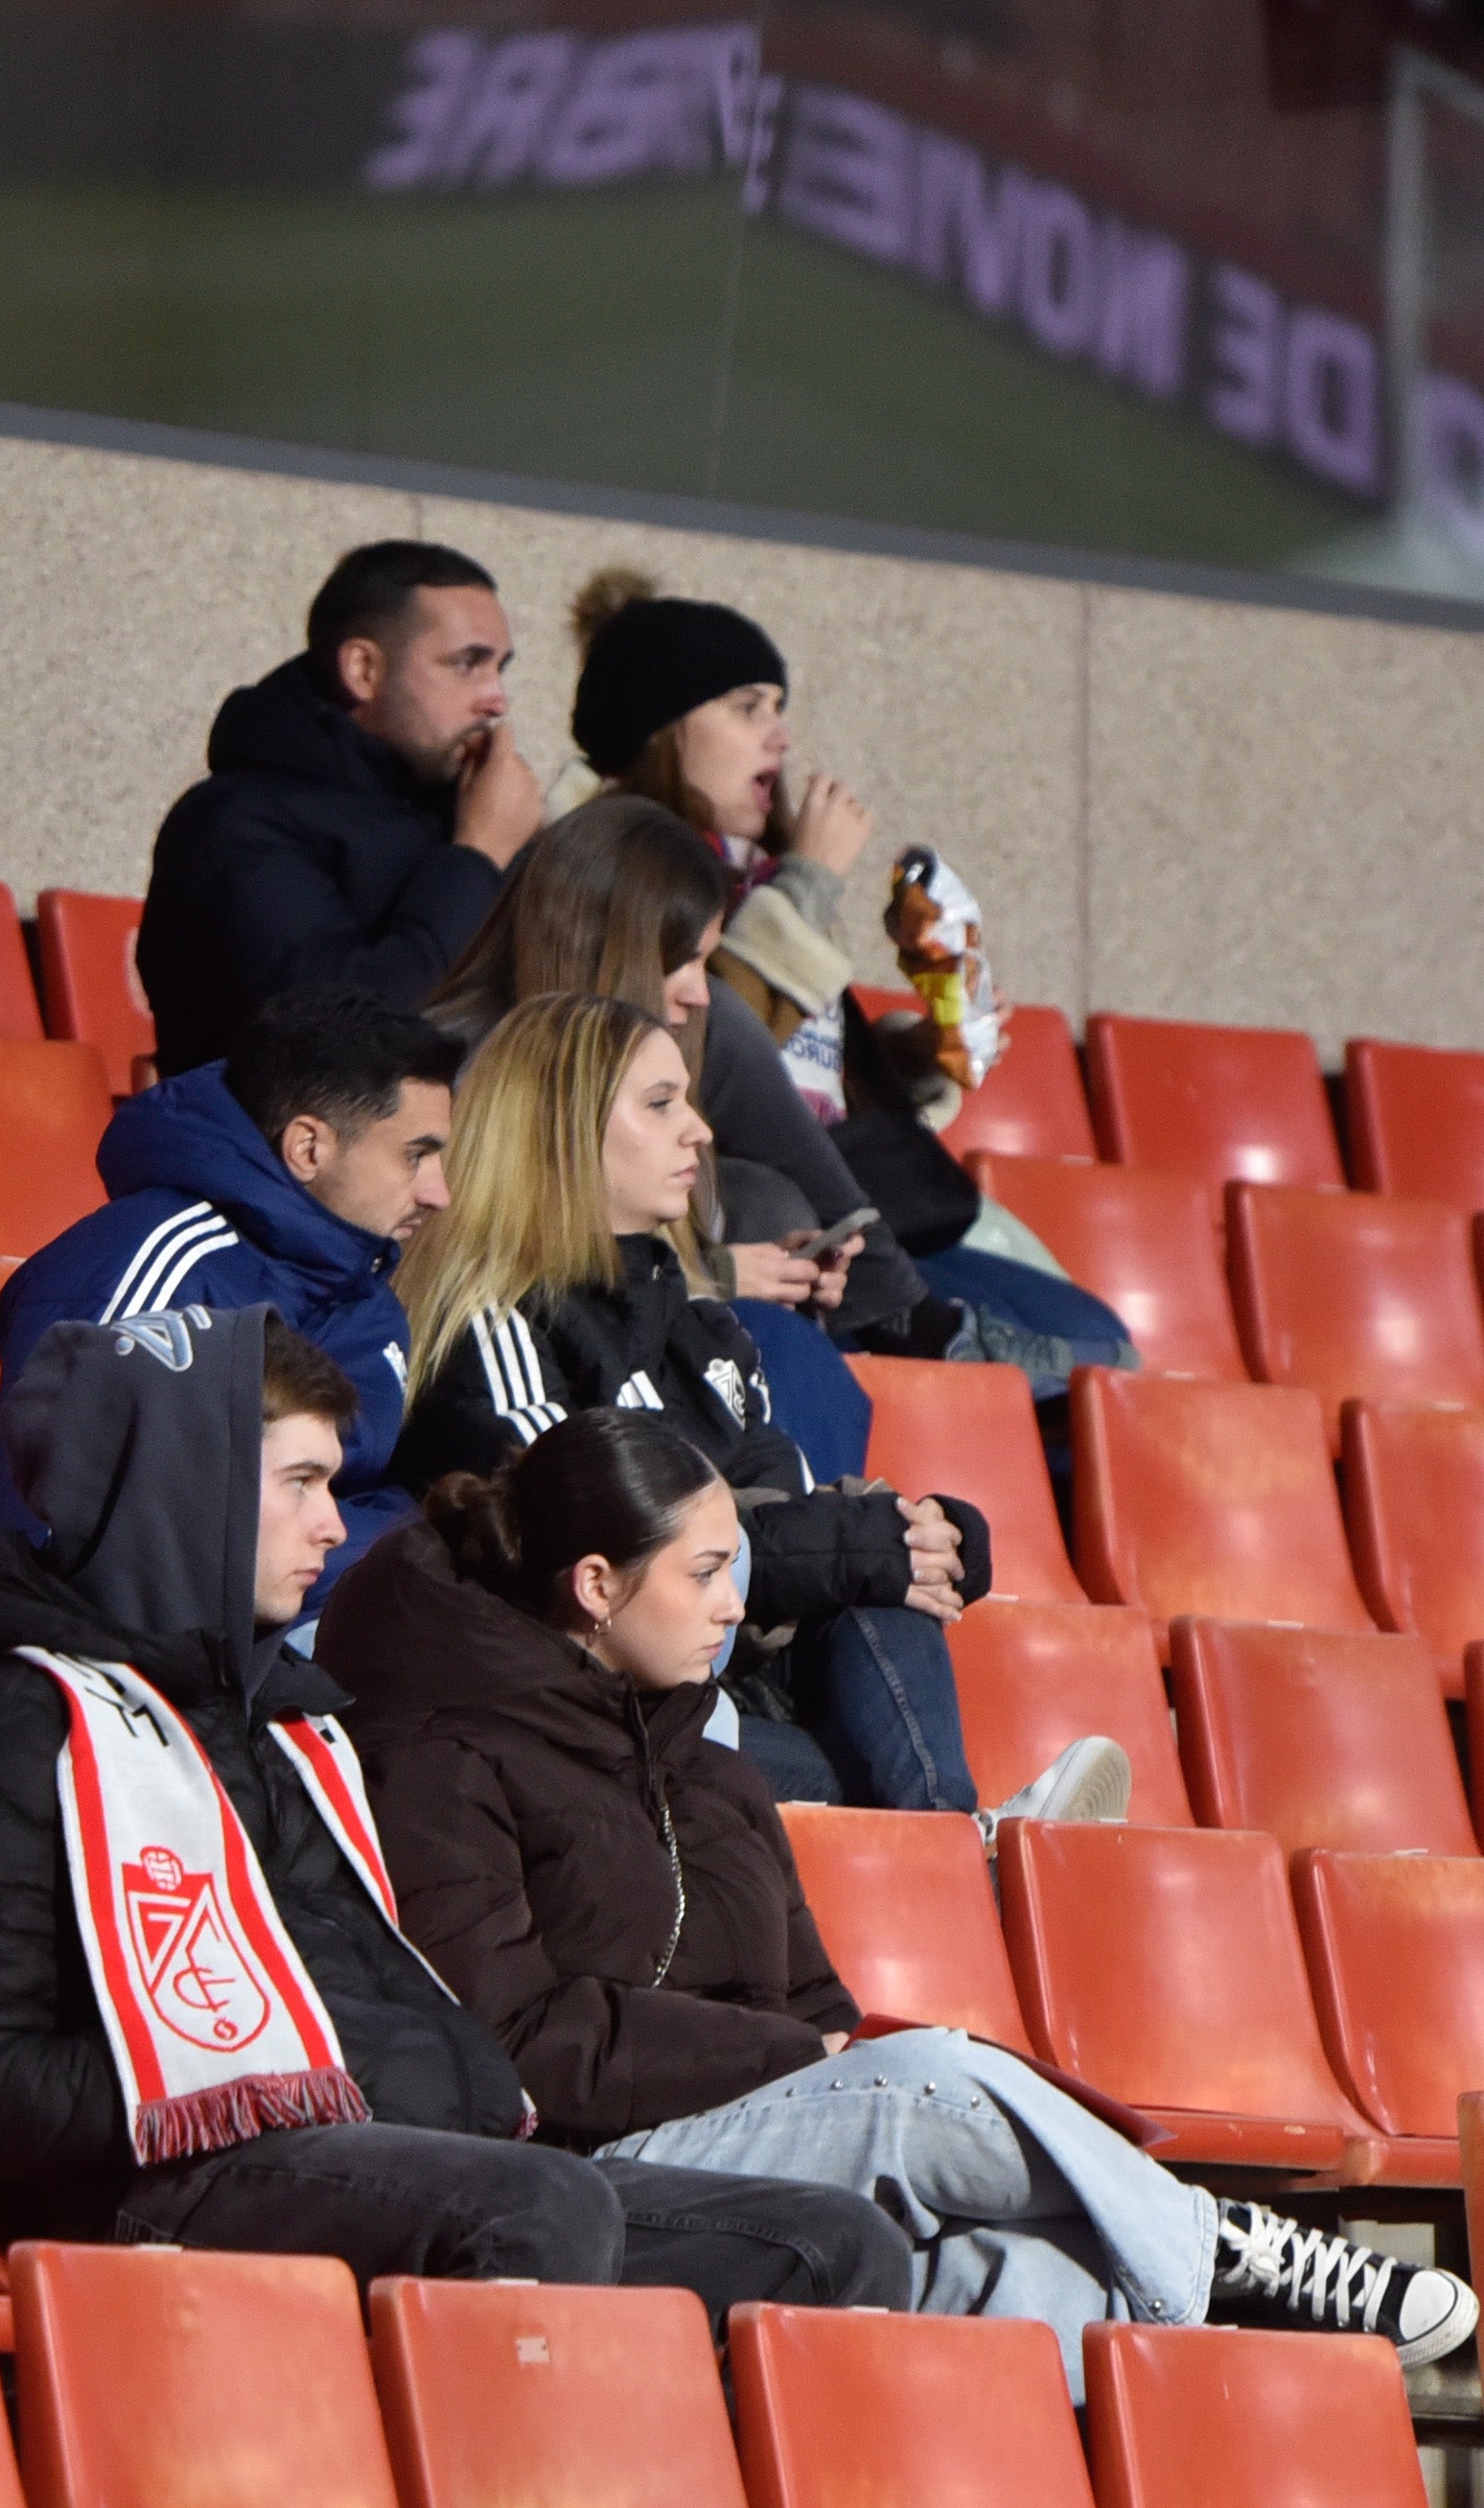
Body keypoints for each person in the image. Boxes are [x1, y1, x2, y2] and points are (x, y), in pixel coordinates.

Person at [323, 1406, 1479, 2390]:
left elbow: (820, 1997)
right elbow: (513, 2035)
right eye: (706, 1572)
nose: (736, 1606)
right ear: (595, 1585)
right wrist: (777, 2054)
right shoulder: (445, 1759)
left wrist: (799, 2049)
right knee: (938, 2079)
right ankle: (1214, 2239)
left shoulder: (717, 1773)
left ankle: (1209, 2392)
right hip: (591, 2154)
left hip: (757, 2130)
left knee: (1041, 2283)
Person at [0, 1301, 914, 2317]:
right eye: (301, 1483)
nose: (335, 1523)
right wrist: (259, 2063)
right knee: (540, 2210)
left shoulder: (286, 1723)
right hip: (164, 2189)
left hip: (382, 2158)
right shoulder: (13, 1732)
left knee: (829, 2246)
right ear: (188, 1491)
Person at [383, 991, 1119, 1823]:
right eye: (661, 1105)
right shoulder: (496, 1325)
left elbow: (786, 1505)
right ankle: (962, 1841)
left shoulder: (701, 1330)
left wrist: (929, 1538)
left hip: (729, 1678)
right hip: (584, 1708)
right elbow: (596, 1538)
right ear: (562, 1132)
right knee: (860, 1590)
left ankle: (954, 1841)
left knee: (880, 1570)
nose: (699, 1129)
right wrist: (856, 1542)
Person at [564, 572, 1132, 1382]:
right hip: (745, 1210)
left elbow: (803, 1069)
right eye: (748, 707)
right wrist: (810, 886)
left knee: (1098, 1340)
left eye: (779, 709)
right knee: (1041, 1370)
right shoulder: (602, 863)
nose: (781, 738)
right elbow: (697, 1040)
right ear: (662, 727)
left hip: (871, 1200)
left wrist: (915, 1053)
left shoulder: (758, 874)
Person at [418, 798, 875, 1481]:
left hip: (678, 1476)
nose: (700, 995)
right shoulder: (454, 1076)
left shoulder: (693, 1043)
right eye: (682, 963)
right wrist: (718, 1276)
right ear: (612, 951)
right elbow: (501, 1263)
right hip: (610, 1503)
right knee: (780, 1348)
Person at [0, 986, 456, 1613]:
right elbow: (71, 1539)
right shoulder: (155, 1262)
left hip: (309, 1637)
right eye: (416, 1157)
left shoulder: (367, 1295)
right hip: (158, 1666)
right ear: (309, 1148)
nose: (439, 1194)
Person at [139, 541, 545, 1075]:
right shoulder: (233, 824)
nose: (496, 698)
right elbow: (342, 1039)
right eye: (466, 664)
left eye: (499, 668)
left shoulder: (455, 810)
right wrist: (479, 857)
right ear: (363, 670)